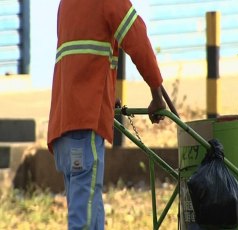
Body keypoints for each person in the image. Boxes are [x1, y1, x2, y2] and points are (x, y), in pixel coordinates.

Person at [47, 0, 166, 229]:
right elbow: (137, 39)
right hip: (84, 123)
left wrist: (108, 98)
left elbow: (81, 64)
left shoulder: (66, 3)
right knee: (84, 217)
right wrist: (156, 93)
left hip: (64, 125)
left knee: (91, 210)